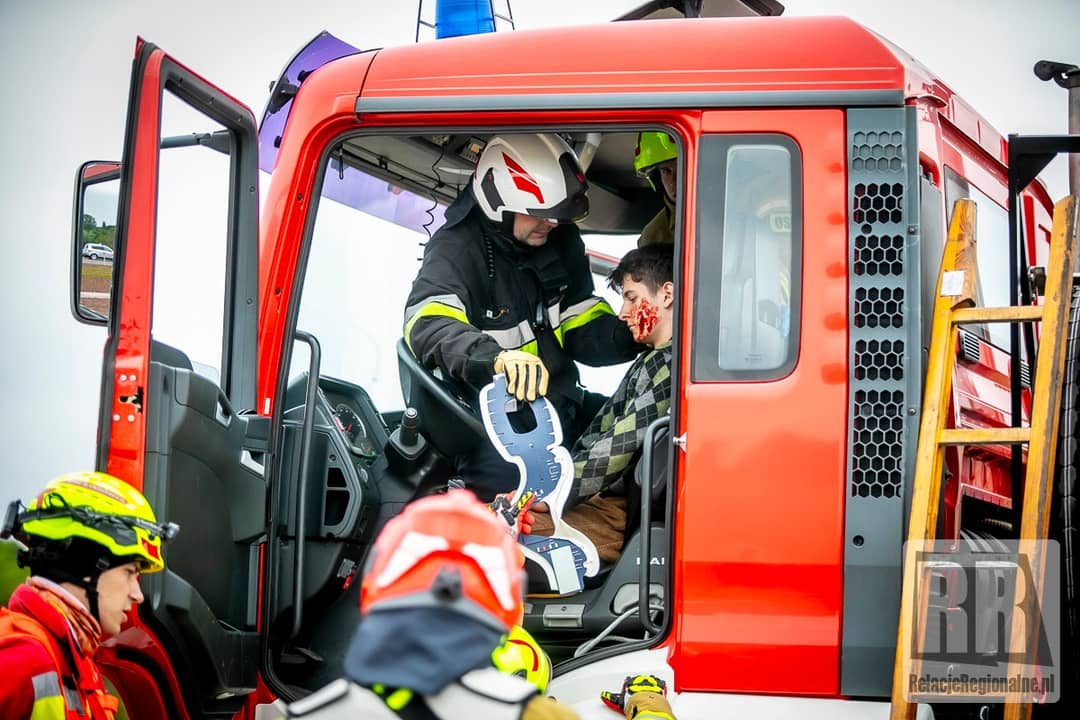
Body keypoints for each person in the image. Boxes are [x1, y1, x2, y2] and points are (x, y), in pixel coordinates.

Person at [281, 490, 677, 720]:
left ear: (371, 595)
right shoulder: (533, 713)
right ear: (505, 612)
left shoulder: (303, 714)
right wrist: (648, 703)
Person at [403, 133, 640, 500]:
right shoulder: (457, 249)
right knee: (517, 504)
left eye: (557, 214)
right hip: (496, 429)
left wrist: (635, 332)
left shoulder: (558, 239)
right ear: (499, 200)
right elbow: (430, 323)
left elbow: (578, 320)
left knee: (642, 440)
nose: (553, 223)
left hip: (559, 408)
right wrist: (496, 359)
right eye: (541, 213)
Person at [529, 245, 674, 564]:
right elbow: (602, 431)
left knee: (491, 535)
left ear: (667, 294)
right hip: (599, 502)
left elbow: (621, 443)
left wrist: (555, 494)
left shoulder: (667, 365)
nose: (622, 313)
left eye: (632, 298)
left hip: (614, 514)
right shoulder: (651, 360)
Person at [0, 471, 178, 720]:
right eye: (129, 572)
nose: (137, 595)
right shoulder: (22, 660)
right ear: (85, 565)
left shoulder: (74, 662)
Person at [633, 132, 678, 248]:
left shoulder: (724, 217)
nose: (674, 181)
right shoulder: (651, 237)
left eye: (683, 167)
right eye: (666, 171)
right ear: (657, 178)